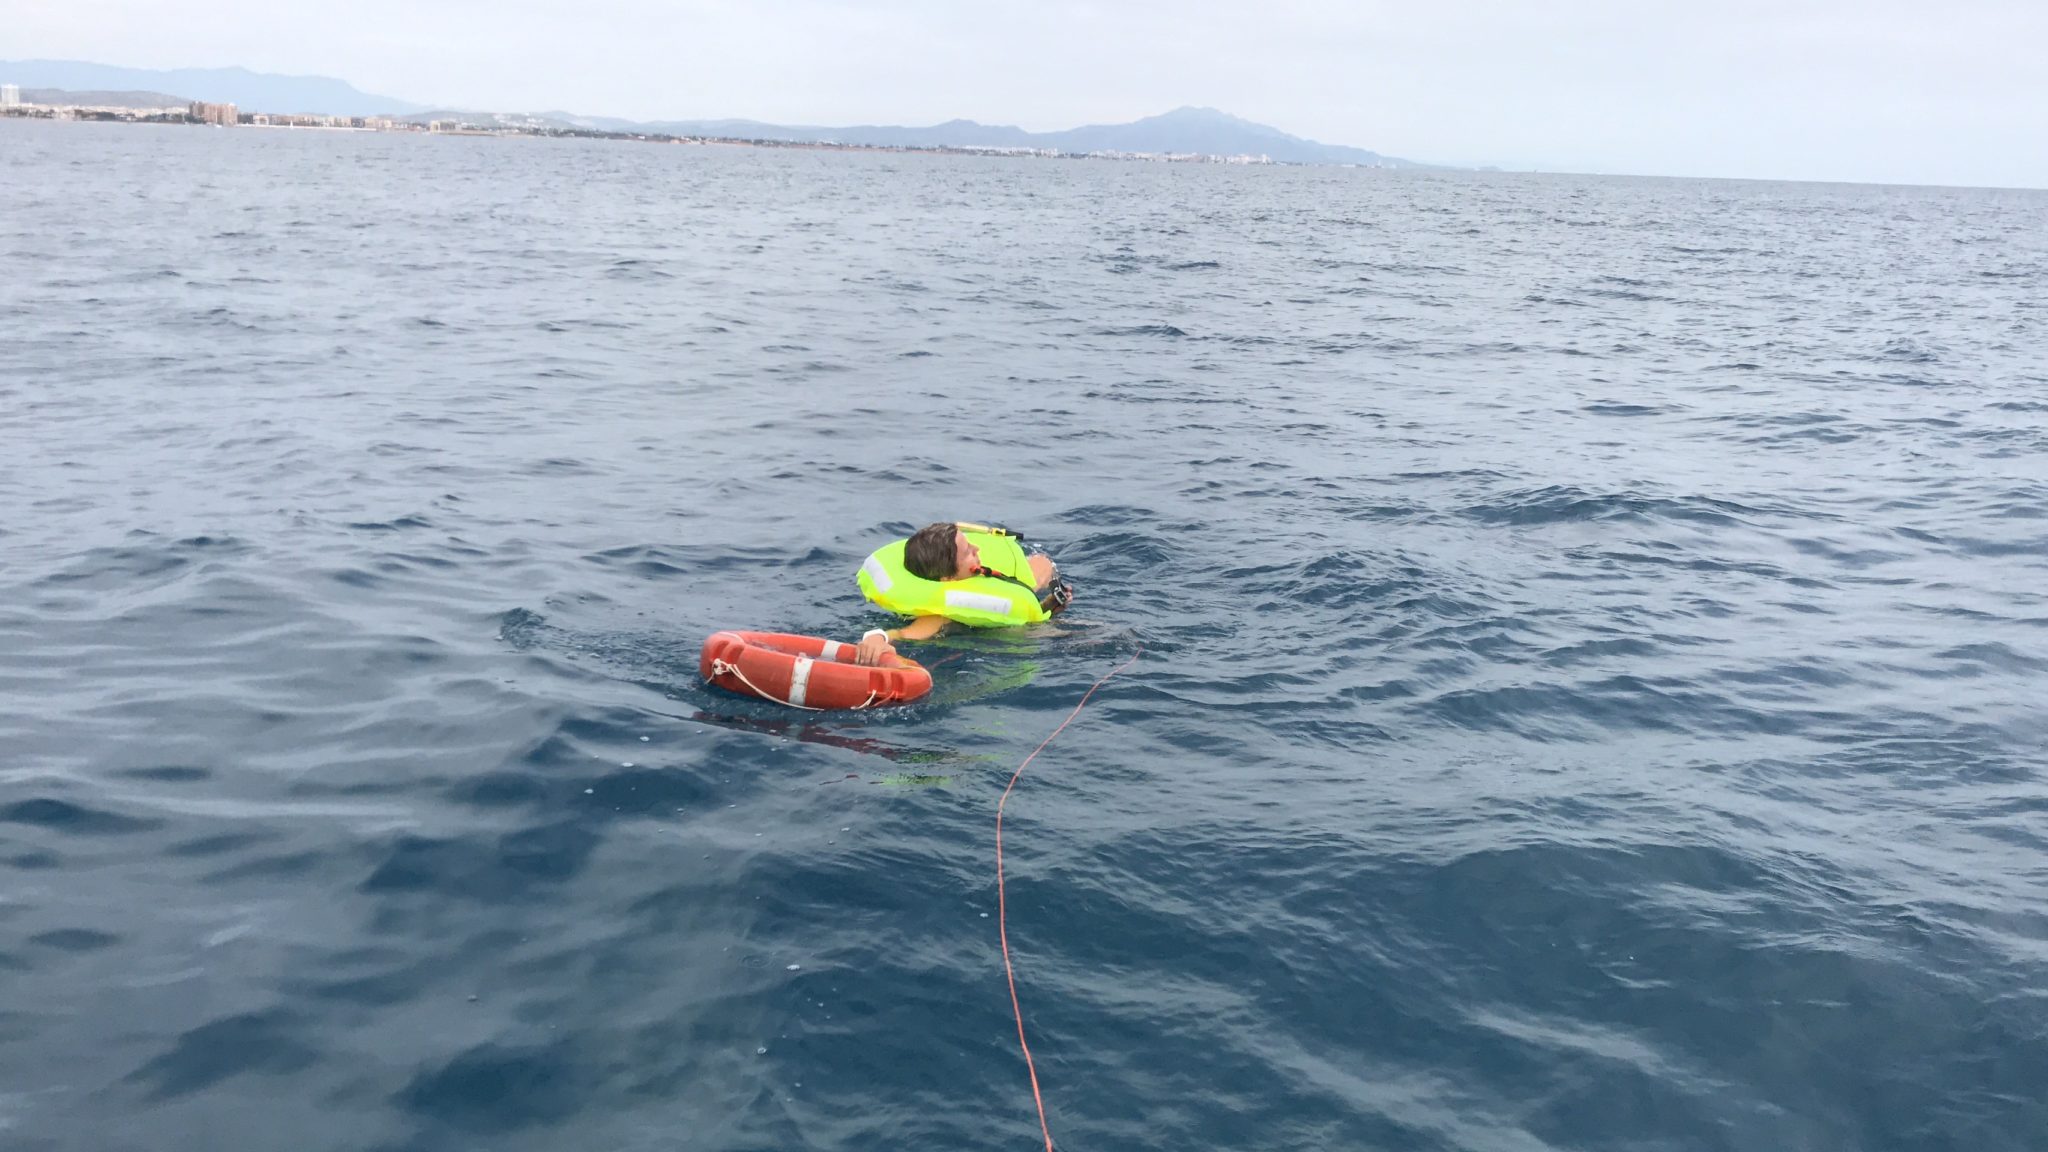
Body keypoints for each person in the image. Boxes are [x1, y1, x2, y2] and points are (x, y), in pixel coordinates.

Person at [853, 521, 1072, 665]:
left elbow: (1042, 566)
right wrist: (877, 637)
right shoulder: (942, 610)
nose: (977, 549)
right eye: (967, 552)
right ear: (948, 579)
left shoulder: (978, 580)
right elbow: (904, 634)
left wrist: (1049, 605)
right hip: (1005, 648)